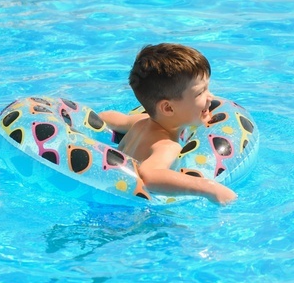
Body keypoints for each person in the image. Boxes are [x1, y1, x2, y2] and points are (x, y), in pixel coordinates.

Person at [99, 43, 238, 205]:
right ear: (168, 108)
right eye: (200, 92)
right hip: (132, 214)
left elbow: (106, 117)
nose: (211, 97)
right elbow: (149, 176)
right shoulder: (167, 146)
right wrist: (209, 188)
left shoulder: (138, 122)